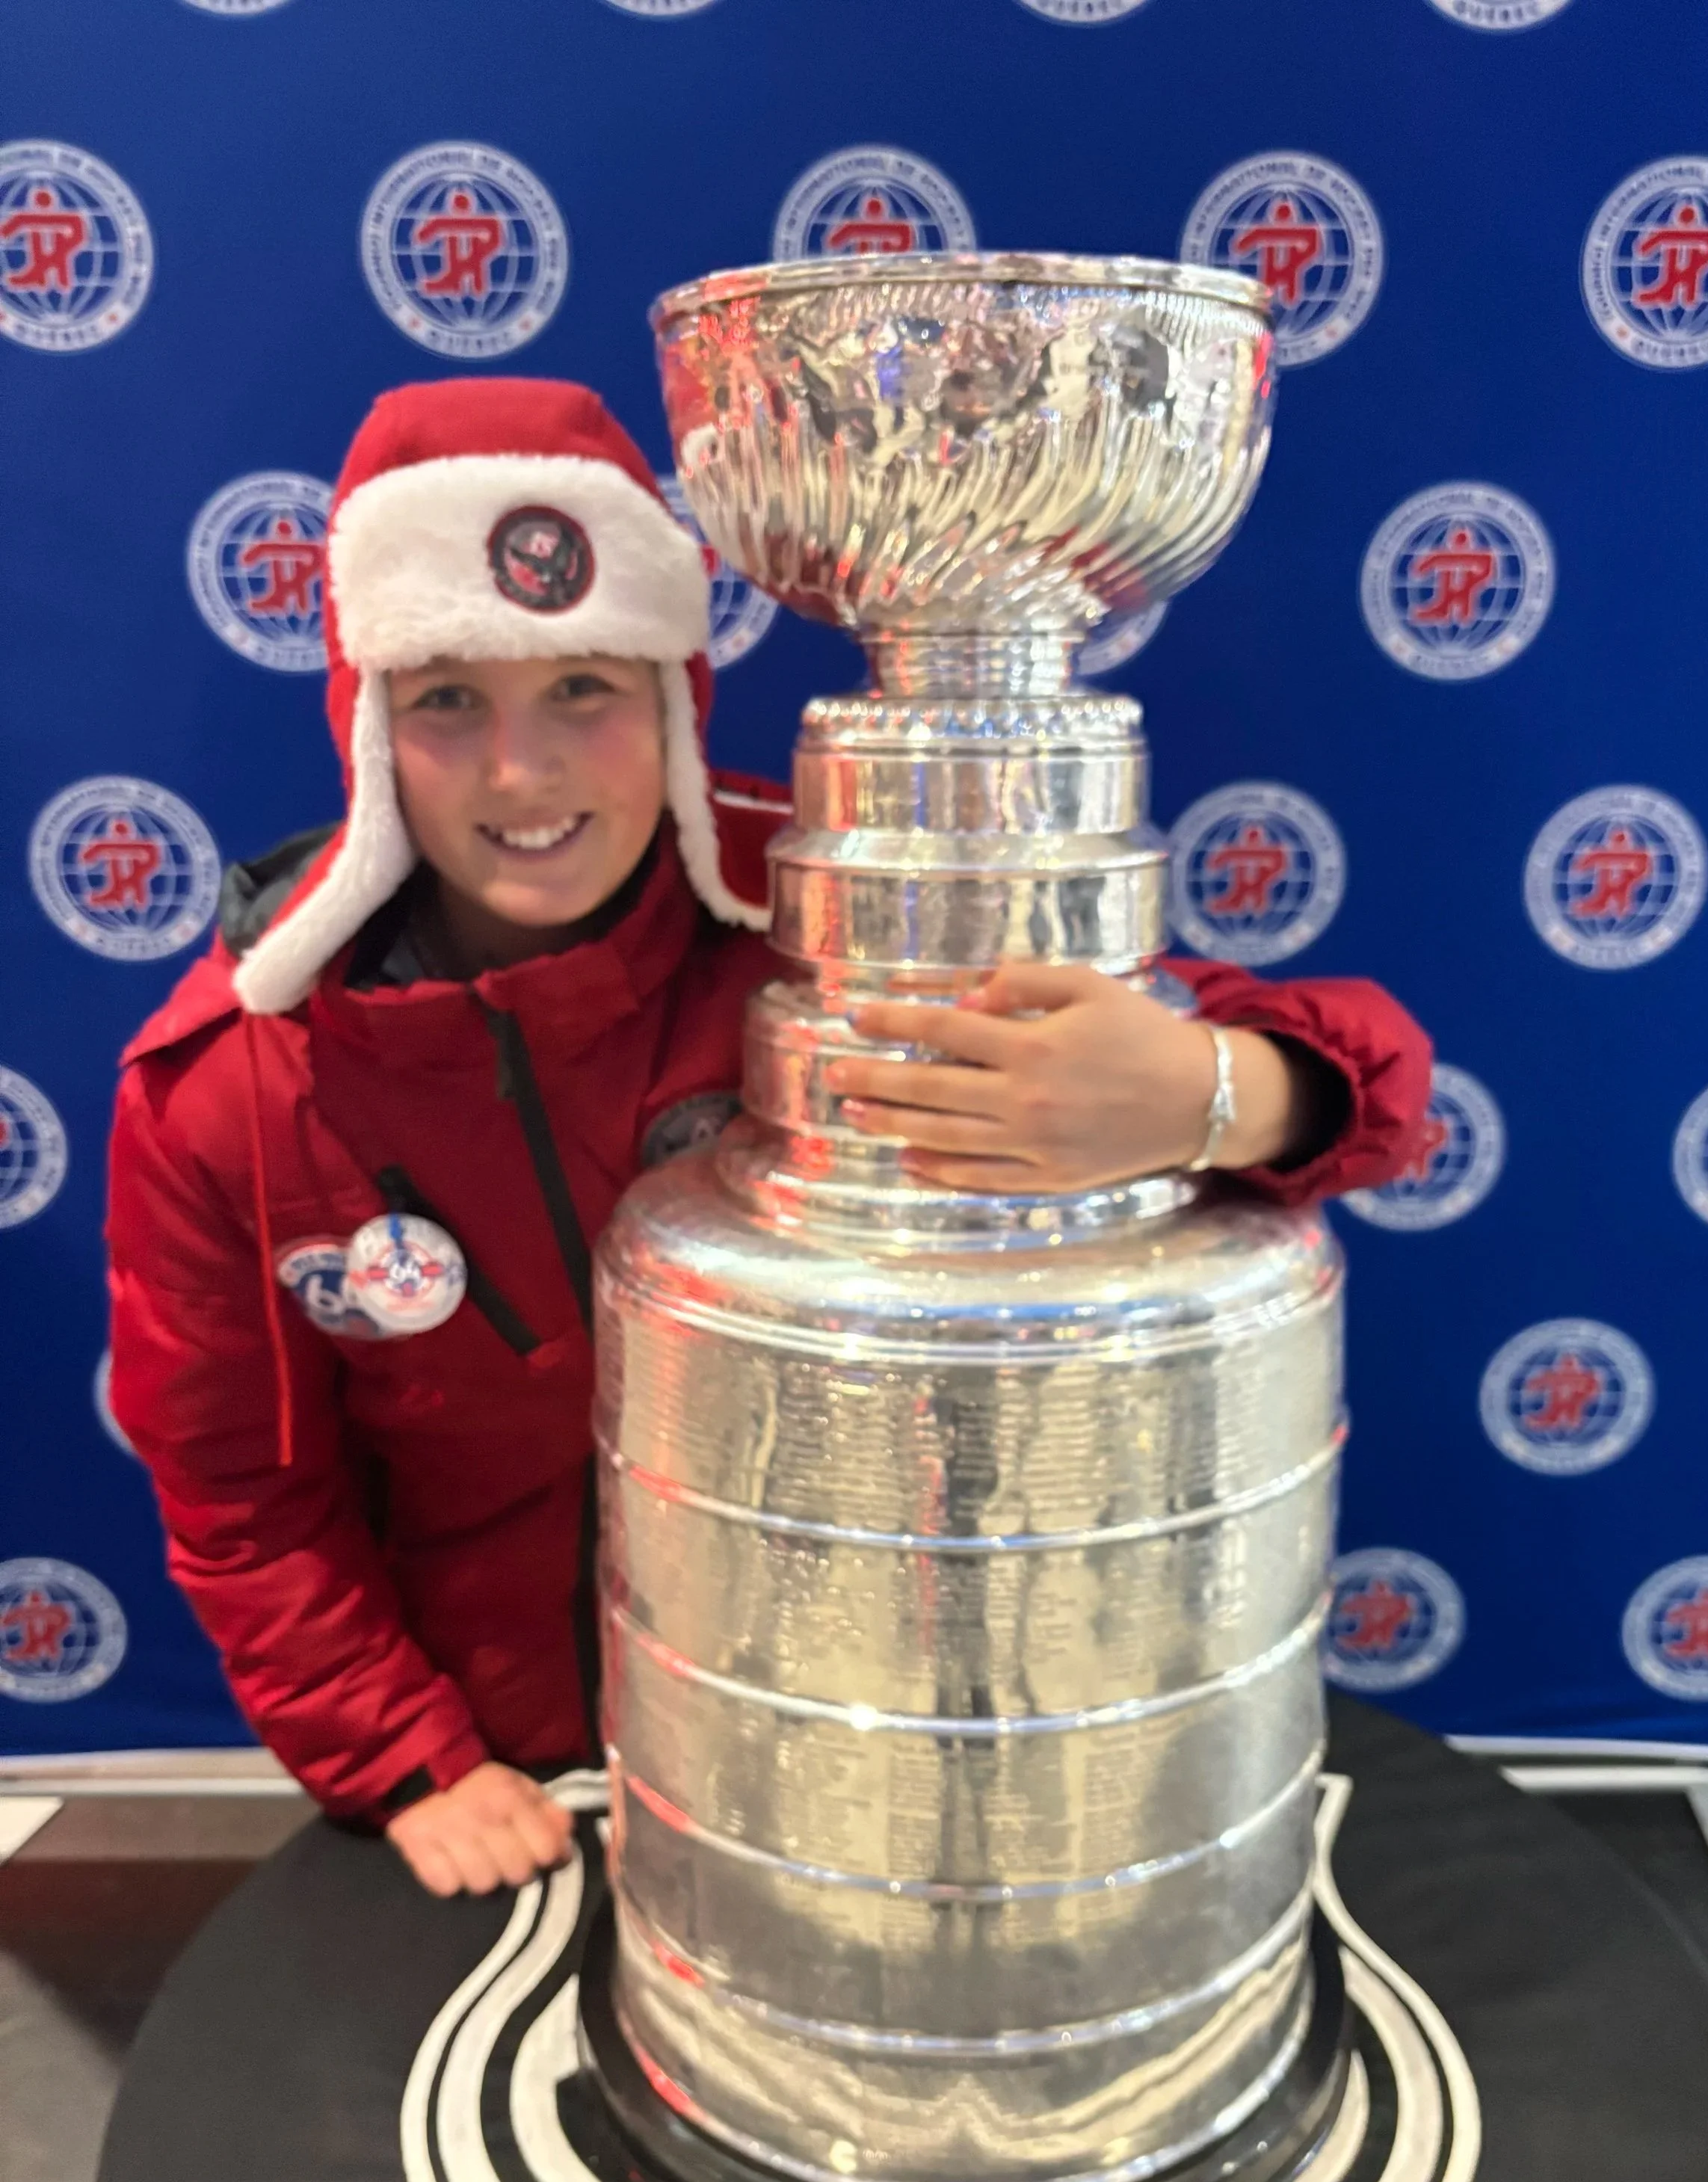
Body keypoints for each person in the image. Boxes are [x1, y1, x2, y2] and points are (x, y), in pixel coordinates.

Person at [106, 377, 1431, 1901]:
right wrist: (406, 1755)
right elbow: (244, 1499)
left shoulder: (837, 910)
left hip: (884, 1728)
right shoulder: (243, 1085)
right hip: (532, 1767)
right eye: (448, 700)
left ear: (674, 695)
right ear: (366, 727)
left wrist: (1214, 1092)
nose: (522, 774)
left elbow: (1376, 1086)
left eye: (583, 690)